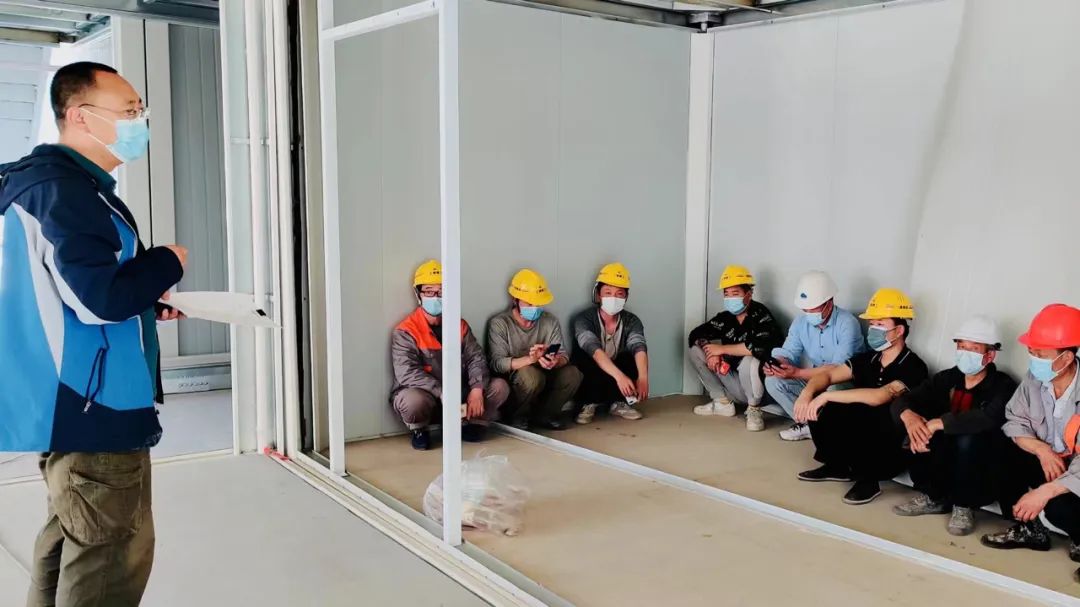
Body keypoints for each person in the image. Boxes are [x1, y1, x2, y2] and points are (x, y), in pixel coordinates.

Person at [0, 62, 187, 607]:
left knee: (70, 538)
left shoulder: (41, 185)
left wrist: (144, 302)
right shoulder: (67, 193)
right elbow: (98, 300)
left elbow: (63, 288)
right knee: (108, 560)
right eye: (129, 111)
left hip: (64, 400)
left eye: (140, 111)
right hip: (95, 405)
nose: (139, 122)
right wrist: (166, 262)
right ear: (81, 116)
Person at [793, 288, 928, 505]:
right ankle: (836, 466)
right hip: (862, 430)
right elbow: (828, 375)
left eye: (880, 324)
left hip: (890, 443)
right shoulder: (869, 359)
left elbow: (879, 397)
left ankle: (869, 480)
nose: (873, 329)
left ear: (899, 330)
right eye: (872, 324)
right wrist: (807, 393)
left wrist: (827, 397)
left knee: (867, 413)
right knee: (823, 406)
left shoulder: (913, 365)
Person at [891, 316, 1017, 536]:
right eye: (961, 346)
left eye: (973, 349)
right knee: (916, 427)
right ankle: (934, 498)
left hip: (980, 463)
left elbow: (987, 417)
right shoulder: (948, 378)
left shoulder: (1002, 385)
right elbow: (905, 400)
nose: (965, 353)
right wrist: (909, 417)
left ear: (989, 355)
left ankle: (963, 506)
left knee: (967, 438)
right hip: (944, 456)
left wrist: (939, 423)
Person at [981, 304, 1080, 581]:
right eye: (1032, 352)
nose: (1034, 360)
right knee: (999, 450)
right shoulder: (1036, 379)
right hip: (1053, 461)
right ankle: (1031, 530)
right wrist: (1041, 449)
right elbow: (1014, 419)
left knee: (1058, 507)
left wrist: (1045, 492)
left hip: (1076, 474)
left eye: (1041, 354)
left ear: (1066, 357)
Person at [390, 260, 510, 450]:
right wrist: (441, 392)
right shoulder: (406, 330)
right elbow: (407, 373)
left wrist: (476, 389)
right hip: (428, 396)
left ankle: (473, 423)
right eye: (429, 291)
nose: (436, 297)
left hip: (459, 394)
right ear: (418, 294)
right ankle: (420, 430)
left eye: (441, 292)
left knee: (499, 387)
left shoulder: (459, 325)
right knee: (413, 401)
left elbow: (476, 358)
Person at [765, 270, 865, 441]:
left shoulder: (847, 323)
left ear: (829, 303)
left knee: (834, 388)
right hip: (816, 379)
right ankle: (809, 425)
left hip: (844, 382)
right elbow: (788, 352)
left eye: (814, 309)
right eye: (806, 309)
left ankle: (825, 427)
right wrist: (778, 364)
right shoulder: (800, 322)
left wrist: (797, 373)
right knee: (773, 381)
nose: (809, 313)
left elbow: (837, 369)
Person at [687, 265, 784, 431]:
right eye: (726, 294)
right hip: (734, 382)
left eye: (735, 293)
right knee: (696, 351)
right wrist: (710, 351)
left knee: (750, 360)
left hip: (760, 388)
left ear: (748, 294)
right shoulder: (726, 319)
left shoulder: (761, 314)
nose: (730, 298)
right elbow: (695, 334)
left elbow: (759, 347)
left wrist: (722, 350)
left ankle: (754, 410)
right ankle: (722, 402)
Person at [487, 269, 582, 431]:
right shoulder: (500, 323)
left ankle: (546, 415)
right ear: (515, 299)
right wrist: (531, 359)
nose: (534, 308)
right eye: (529, 303)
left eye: (538, 304)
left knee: (573, 374)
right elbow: (497, 363)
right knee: (531, 376)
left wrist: (555, 361)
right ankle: (517, 416)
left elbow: (563, 355)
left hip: (545, 376)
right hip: (517, 384)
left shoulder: (549, 321)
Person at [570, 263, 649, 424]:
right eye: (608, 293)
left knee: (631, 356)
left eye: (619, 294)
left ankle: (619, 402)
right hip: (593, 371)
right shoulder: (584, 319)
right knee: (583, 356)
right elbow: (593, 349)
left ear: (626, 297)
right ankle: (588, 403)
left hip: (615, 368)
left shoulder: (631, 321)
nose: (614, 298)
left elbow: (639, 346)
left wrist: (643, 378)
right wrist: (620, 377)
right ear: (598, 295)